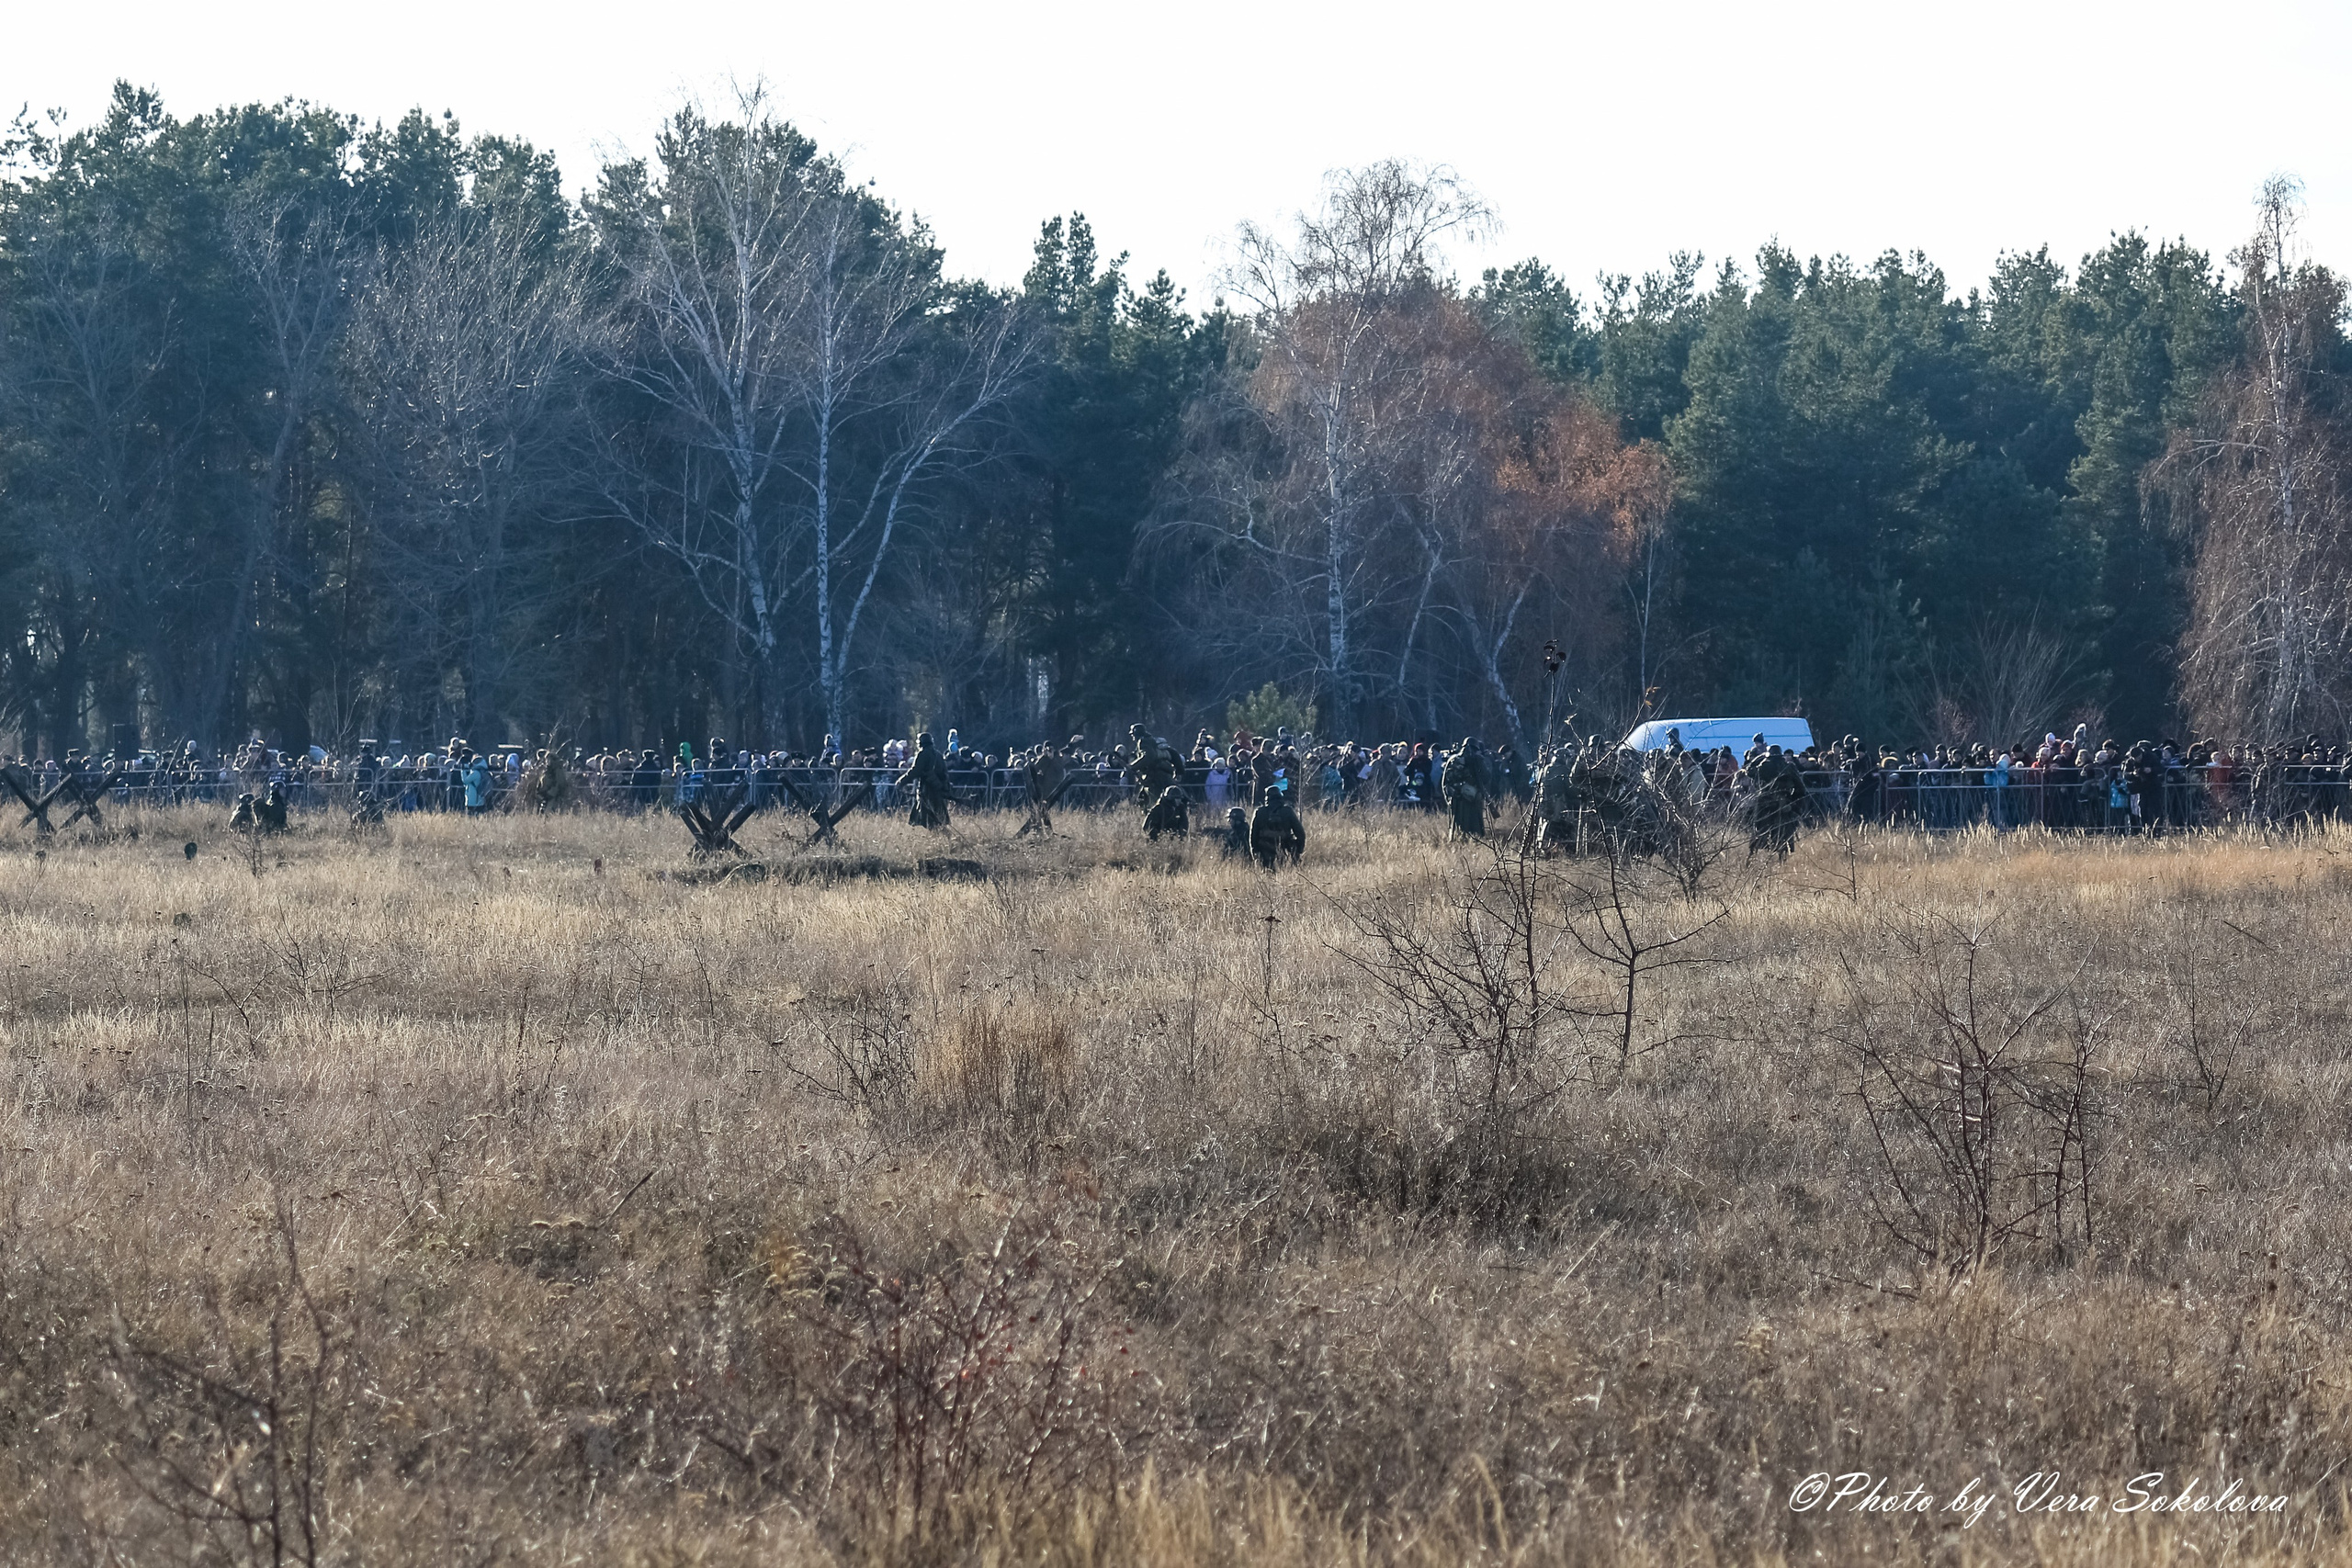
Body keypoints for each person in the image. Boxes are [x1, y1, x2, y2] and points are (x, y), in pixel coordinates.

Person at [899, 731, 953, 829]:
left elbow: (915, 771)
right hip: (938, 789)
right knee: (937, 818)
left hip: (928, 790)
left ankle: (944, 838)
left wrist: (902, 782)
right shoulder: (938, 754)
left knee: (929, 819)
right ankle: (943, 838)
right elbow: (945, 773)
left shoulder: (923, 754)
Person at [1250, 782, 1306, 869]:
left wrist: (1255, 853)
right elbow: (1300, 833)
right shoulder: (1288, 811)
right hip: (1285, 850)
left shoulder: (1259, 812)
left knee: (1267, 874)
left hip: (1265, 852)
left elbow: (1253, 835)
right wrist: (1298, 850)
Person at [1441, 737, 1486, 838]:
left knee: (1457, 829)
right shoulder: (1478, 760)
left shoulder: (1452, 759)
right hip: (1471, 799)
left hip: (1457, 800)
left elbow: (1444, 783)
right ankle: (1473, 842)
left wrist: (1448, 798)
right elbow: (1486, 777)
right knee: (1475, 829)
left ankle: (1458, 841)